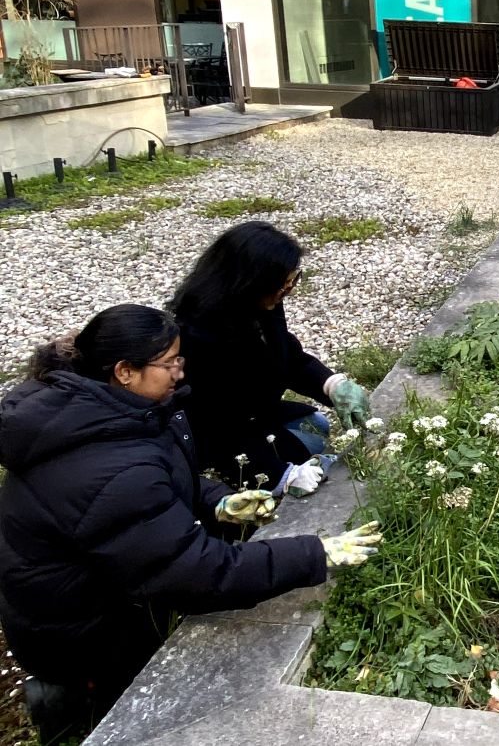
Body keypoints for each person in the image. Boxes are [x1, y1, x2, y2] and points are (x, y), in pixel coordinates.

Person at [0, 304, 382, 744]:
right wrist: (314, 553)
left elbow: (154, 479)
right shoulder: (105, 461)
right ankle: (66, 699)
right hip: (80, 627)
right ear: (125, 370)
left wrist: (218, 501)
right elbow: (196, 575)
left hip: (103, 582)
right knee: (137, 702)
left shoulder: (105, 407)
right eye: (171, 363)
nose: (181, 372)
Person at [167, 221, 373, 497]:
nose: (288, 288)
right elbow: (219, 425)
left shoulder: (262, 304)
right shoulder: (198, 336)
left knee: (316, 425)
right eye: (282, 283)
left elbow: (288, 356)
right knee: (309, 450)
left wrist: (331, 385)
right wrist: (282, 476)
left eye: (293, 280)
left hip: (254, 412)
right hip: (223, 434)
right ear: (249, 280)